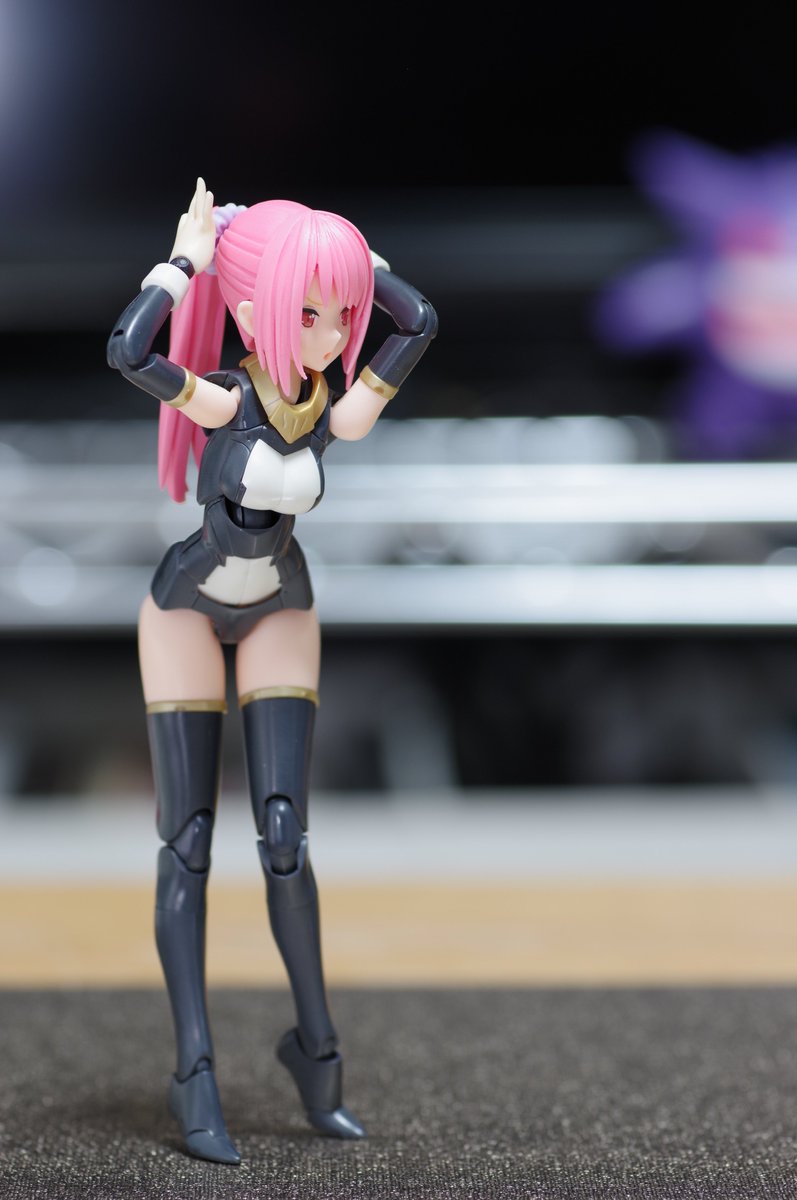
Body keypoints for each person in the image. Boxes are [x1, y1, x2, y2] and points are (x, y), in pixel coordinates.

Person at [107, 178, 437, 1164]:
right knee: (189, 842)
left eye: (339, 316)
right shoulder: (227, 397)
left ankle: (317, 1051)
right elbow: (128, 352)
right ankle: (194, 1069)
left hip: (281, 603)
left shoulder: (332, 410)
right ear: (252, 314)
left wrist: (353, 259)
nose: (331, 335)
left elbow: (419, 321)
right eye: (307, 311)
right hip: (186, 605)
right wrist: (188, 262)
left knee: (285, 836)